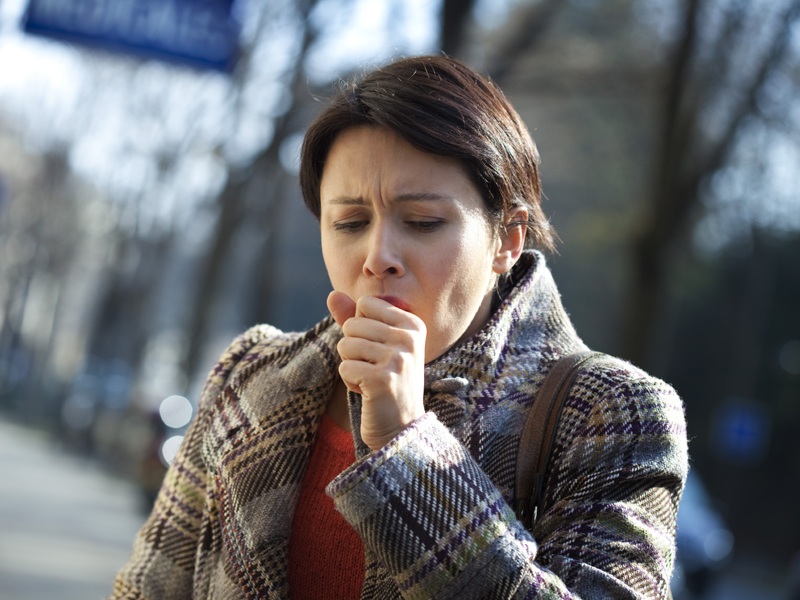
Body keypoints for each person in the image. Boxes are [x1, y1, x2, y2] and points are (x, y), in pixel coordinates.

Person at [110, 55, 688, 599]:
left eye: (423, 221)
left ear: (508, 238)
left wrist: (408, 449)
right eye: (350, 221)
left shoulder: (613, 414)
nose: (377, 255)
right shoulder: (249, 375)